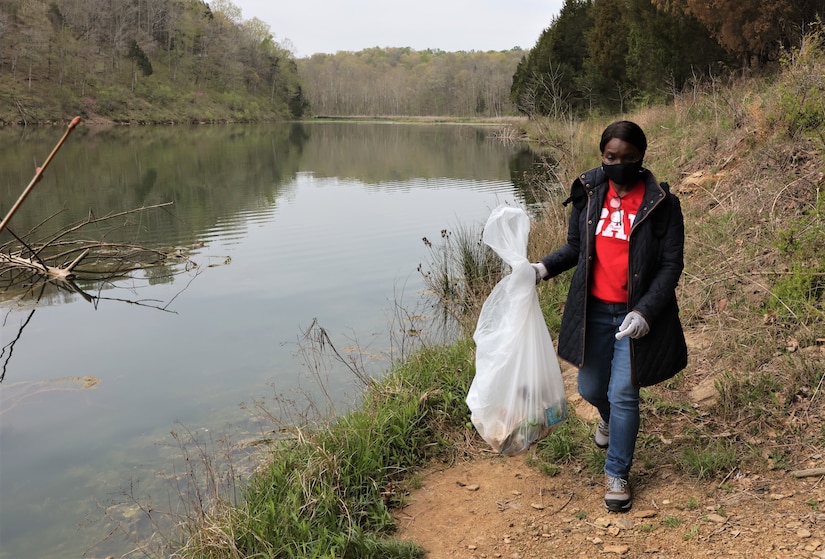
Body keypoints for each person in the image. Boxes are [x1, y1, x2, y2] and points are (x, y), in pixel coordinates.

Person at [532, 120, 688, 512]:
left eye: (627, 158)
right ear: (603, 156)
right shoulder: (589, 192)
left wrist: (644, 312)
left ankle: (617, 472)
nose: (618, 164)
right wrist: (541, 269)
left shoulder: (663, 204)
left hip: (634, 316)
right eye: (610, 157)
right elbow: (574, 249)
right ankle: (607, 419)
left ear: (641, 159)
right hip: (594, 311)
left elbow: (671, 265)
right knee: (590, 389)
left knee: (623, 393)